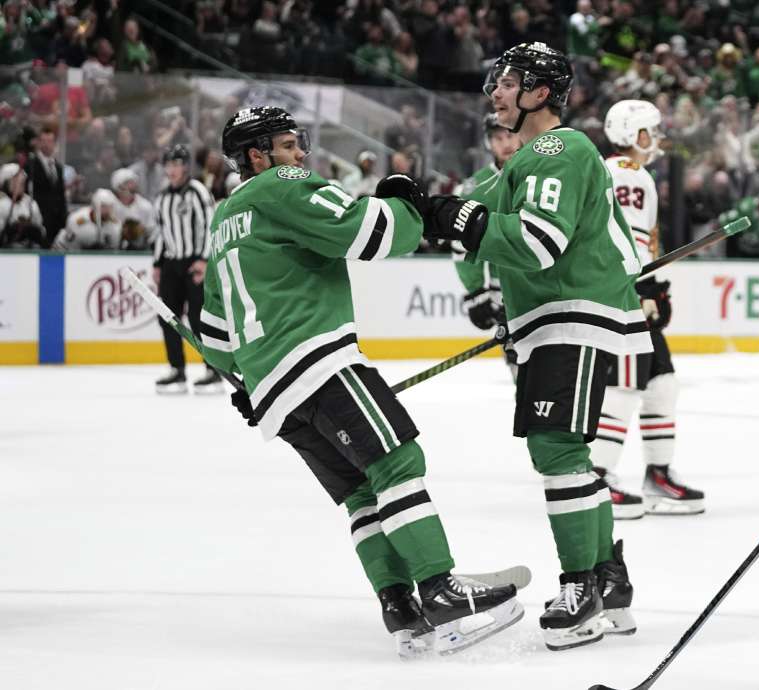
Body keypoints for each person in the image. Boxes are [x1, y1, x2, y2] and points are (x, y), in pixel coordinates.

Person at [197, 106, 523, 657]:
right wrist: (406, 202)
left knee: (361, 495)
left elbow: (213, 335)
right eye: (286, 143)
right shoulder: (281, 185)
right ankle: (441, 592)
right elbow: (368, 233)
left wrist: (247, 384)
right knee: (397, 463)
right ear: (258, 156)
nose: (299, 153)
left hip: (276, 392)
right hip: (319, 361)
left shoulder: (223, 220)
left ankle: (400, 608)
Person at [419, 42, 650, 651]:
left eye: (507, 82)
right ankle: (607, 580)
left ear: (539, 93)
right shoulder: (520, 164)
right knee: (569, 452)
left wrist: (454, 217)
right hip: (555, 318)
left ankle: (581, 588)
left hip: (569, 313)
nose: (494, 91)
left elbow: (537, 243)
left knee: (555, 452)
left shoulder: (559, 146)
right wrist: (425, 209)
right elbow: (475, 223)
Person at [589, 98, 704, 520]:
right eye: (647, 131)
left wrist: (650, 284)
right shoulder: (628, 173)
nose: (653, 139)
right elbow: (628, 243)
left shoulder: (618, 172)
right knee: (622, 384)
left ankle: (657, 474)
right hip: (621, 292)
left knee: (661, 381)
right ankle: (597, 476)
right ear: (629, 134)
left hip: (627, 286)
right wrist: (642, 289)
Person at [452, 113, 521, 376]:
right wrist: (475, 292)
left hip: (548, 286)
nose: (505, 143)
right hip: (505, 293)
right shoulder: (474, 189)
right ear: (488, 142)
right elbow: (461, 247)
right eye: (497, 137)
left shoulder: (540, 172)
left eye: (510, 135)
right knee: (523, 375)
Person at [153, 145, 220, 394]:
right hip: (172, 263)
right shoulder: (162, 197)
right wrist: (158, 264)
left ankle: (213, 369)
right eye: (168, 165)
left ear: (185, 167)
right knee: (168, 317)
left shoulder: (198, 192)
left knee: (198, 318)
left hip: (195, 262)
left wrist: (204, 260)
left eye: (176, 164)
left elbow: (209, 227)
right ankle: (177, 369)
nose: (172, 170)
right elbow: (161, 232)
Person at [23, 125, 67, 246]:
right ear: (38, 143)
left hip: (56, 223)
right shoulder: (31, 165)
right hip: (39, 219)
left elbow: (61, 195)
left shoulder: (58, 167)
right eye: (44, 141)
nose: (47, 144)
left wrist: (63, 221)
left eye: (50, 141)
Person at [52, 189, 121, 250]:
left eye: (110, 206)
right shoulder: (77, 220)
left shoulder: (116, 225)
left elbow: (113, 250)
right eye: (103, 206)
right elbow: (70, 248)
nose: (107, 210)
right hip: (64, 251)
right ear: (94, 206)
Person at [111, 168, 159, 251]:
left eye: (133, 183)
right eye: (127, 183)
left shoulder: (145, 206)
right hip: (112, 250)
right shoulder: (110, 205)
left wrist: (142, 232)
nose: (131, 186)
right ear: (118, 186)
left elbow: (153, 231)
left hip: (140, 250)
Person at [0, 163, 45, 249]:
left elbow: (41, 231)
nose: (20, 182)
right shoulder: (2, 204)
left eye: (22, 180)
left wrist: (34, 231)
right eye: (16, 180)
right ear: (6, 182)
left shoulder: (31, 204)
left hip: (29, 253)